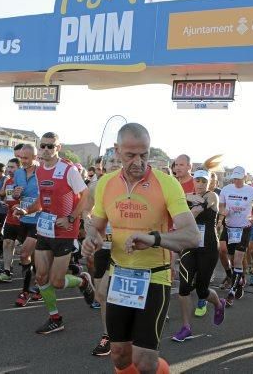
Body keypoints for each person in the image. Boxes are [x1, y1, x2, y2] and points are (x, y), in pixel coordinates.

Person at [82, 123, 199, 374]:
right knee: (120, 356)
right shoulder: (105, 184)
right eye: (130, 155)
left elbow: (192, 235)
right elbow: (98, 228)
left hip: (154, 276)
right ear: (116, 151)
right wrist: (91, 238)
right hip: (119, 276)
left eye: (144, 154)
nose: (138, 161)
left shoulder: (167, 184)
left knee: (145, 360)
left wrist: (154, 239)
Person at [15, 132, 94, 334]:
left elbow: (85, 195)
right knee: (41, 277)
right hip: (45, 228)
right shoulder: (41, 171)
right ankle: (55, 317)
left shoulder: (68, 170)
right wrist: (27, 210)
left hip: (65, 231)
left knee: (57, 282)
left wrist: (70, 218)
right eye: (44, 146)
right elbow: (42, 199)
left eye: (51, 146)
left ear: (58, 148)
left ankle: (83, 281)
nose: (47, 149)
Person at [172, 166, 226, 342]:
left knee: (202, 291)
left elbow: (198, 210)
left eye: (204, 181)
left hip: (208, 248)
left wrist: (188, 201)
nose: (201, 184)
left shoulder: (212, 196)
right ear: (193, 181)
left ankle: (219, 304)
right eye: (198, 180)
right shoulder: (186, 197)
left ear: (209, 182)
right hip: (190, 246)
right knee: (184, 288)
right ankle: (186, 327)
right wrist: (186, 198)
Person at [83, 154, 122, 356]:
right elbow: (86, 210)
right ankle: (110, 334)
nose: (115, 164)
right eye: (111, 161)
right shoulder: (96, 186)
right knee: (100, 294)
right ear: (103, 166)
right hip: (102, 245)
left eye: (119, 161)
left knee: (107, 291)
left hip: (124, 249)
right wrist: (87, 223)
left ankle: (111, 336)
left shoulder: (129, 187)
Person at [218, 166, 253, 306]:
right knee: (227, 254)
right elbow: (221, 206)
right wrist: (223, 213)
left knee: (238, 258)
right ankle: (238, 277)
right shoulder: (226, 189)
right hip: (229, 226)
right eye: (235, 178)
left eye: (239, 178)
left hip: (244, 227)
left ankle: (233, 290)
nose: (237, 181)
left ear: (244, 177)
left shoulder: (251, 190)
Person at [11, 144, 41, 307]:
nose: (22, 161)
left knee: (24, 254)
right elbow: (17, 194)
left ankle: (25, 291)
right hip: (24, 220)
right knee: (35, 257)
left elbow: (45, 199)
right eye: (21, 158)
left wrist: (28, 209)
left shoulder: (42, 173)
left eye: (26, 158)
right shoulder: (18, 173)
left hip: (39, 220)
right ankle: (39, 285)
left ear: (35, 158)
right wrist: (16, 194)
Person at [0, 157, 22, 283]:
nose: (9, 170)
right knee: (7, 243)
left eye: (12, 167)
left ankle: (35, 271)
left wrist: (21, 205)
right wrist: (5, 203)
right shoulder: (8, 182)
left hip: (24, 219)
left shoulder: (24, 181)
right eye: (8, 167)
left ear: (19, 168)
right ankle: (7, 272)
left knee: (25, 249)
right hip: (11, 217)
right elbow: (6, 198)